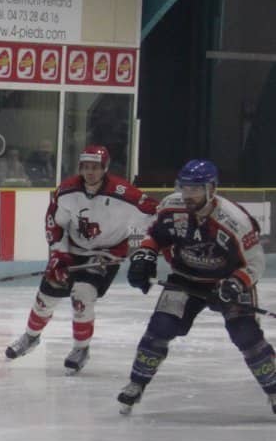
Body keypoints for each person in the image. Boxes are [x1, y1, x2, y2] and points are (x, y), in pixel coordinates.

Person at [117, 160, 276, 415]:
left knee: (245, 334)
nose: (189, 195)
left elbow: (256, 262)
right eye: (185, 188)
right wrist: (145, 254)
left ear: (211, 189)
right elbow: (155, 234)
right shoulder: (171, 206)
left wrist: (236, 283)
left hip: (228, 280)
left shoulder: (235, 220)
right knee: (161, 327)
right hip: (185, 278)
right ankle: (136, 383)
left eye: (196, 189)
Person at [4, 145, 155, 373]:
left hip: (105, 254)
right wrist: (58, 254)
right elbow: (55, 224)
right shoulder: (67, 191)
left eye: (95, 167)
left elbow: (156, 217)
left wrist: (141, 250)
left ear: (105, 168)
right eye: (85, 167)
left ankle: (81, 348)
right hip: (72, 251)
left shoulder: (124, 193)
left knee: (82, 294)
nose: (90, 172)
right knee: (46, 296)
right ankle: (31, 337)